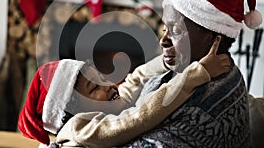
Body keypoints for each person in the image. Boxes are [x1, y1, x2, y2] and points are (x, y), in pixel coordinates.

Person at [55, 0, 262, 147]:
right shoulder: (196, 70)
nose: (163, 41)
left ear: (213, 38)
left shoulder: (199, 113)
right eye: (165, 28)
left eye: (177, 30)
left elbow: (137, 114)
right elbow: (136, 102)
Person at [18, 36, 229, 147]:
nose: (108, 85)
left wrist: (169, 61)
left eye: (101, 77)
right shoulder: (78, 129)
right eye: (94, 88)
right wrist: (195, 74)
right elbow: (138, 118)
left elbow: (135, 79)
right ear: (72, 113)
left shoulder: (111, 105)